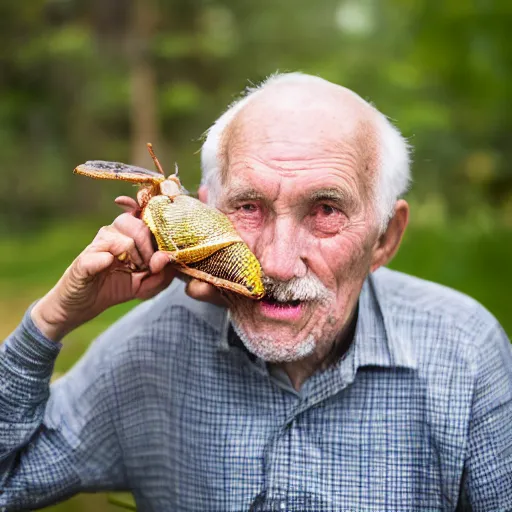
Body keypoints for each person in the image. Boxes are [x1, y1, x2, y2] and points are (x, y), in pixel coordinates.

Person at [0, 72, 510, 512]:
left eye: (326, 210)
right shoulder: (148, 347)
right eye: (248, 207)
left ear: (384, 239)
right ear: (201, 212)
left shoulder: (463, 352)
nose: (277, 263)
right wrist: (51, 319)